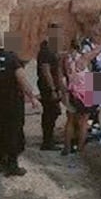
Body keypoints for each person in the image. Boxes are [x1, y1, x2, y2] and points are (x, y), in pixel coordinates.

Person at [0, 32, 39, 176]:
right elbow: (22, 80)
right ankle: (12, 164)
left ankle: (1, 162)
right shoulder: (11, 58)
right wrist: (32, 98)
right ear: (2, 42)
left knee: (0, 130)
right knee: (14, 130)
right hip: (13, 100)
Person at [62, 37, 95, 156]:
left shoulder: (67, 58)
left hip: (73, 88)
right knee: (84, 121)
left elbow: (65, 74)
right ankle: (80, 148)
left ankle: (67, 147)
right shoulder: (84, 57)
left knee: (70, 119)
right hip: (88, 87)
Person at [36, 22, 65, 151]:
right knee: (50, 113)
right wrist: (53, 89)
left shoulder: (52, 49)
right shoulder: (46, 50)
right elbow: (46, 71)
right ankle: (47, 141)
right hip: (47, 86)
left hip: (51, 85)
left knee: (53, 112)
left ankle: (49, 139)